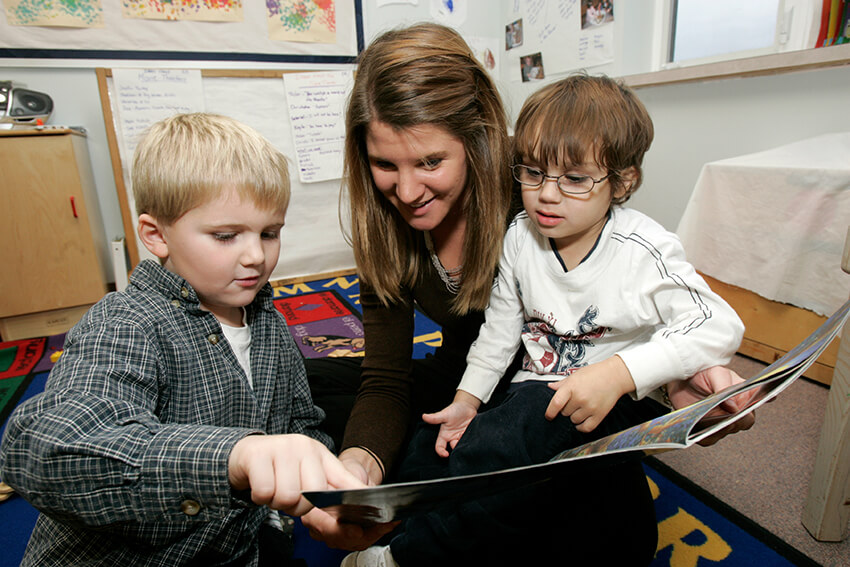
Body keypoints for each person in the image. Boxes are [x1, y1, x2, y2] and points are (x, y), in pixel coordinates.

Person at [303, 22, 755, 564]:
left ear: (477, 141)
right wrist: (363, 467)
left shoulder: (546, 186)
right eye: (384, 164)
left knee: (594, 528)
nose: (406, 190)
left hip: (556, 398)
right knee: (302, 387)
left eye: (429, 162)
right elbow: (393, 375)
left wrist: (675, 384)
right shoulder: (413, 220)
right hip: (477, 376)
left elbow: (627, 303)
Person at [0, 113, 364, 566]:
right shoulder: (125, 323)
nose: (256, 256)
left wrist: (327, 489)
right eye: (225, 236)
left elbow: (298, 426)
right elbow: (43, 447)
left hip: (232, 546)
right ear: (156, 236)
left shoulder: (267, 321)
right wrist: (232, 456)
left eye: (270, 233)